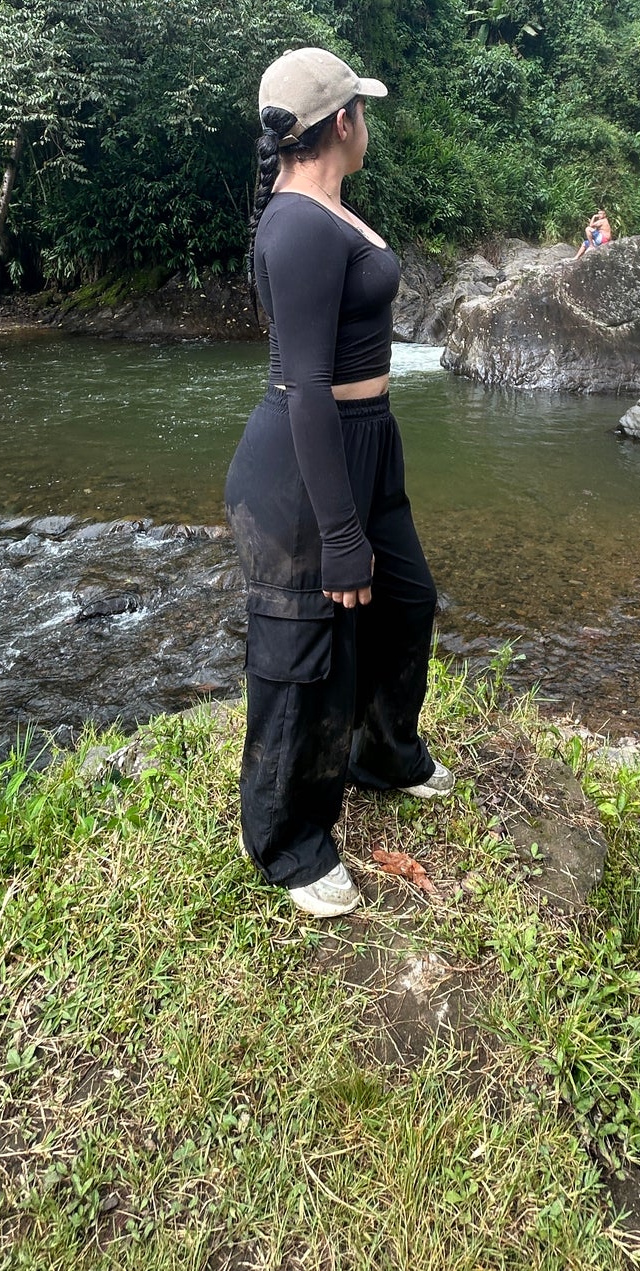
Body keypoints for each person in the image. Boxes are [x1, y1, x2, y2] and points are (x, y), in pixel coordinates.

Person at [224, 47, 453, 919]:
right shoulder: (296, 227)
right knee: (304, 653)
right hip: (301, 462)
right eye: (363, 110)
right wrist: (341, 534)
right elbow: (306, 387)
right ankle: (283, 837)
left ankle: (384, 754)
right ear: (342, 123)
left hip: (366, 442)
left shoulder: (328, 210)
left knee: (405, 602)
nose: (369, 124)